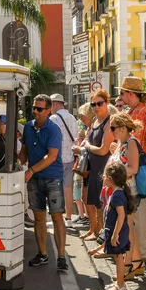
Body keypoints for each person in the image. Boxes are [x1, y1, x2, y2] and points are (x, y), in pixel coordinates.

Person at [19, 94, 68, 271]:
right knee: (38, 216)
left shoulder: (54, 129)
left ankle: (61, 256)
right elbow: (24, 150)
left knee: (56, 216)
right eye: (34, 108)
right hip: (34, 178)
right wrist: (18, 163)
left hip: (52, 177)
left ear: (48, 111)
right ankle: (43, 254)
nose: (35, 112)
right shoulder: (28, 127)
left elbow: (52, 156)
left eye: (39, 109)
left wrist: (30, 170)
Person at [118, 76, 146, 263]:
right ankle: (138, 252)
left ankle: (141, 253)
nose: (121, 96)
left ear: (130, 94)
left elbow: (136, 143)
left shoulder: (141, 112)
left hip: (137, 170)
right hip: (136, 168)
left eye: (122, 92)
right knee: (136, 213)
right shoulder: (136, 110)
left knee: (140, 213)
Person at [107, 113, 145, 280]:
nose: (111, 131)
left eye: (113, 128)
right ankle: (136, 262)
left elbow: (134, 168)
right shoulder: (121, 143)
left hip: (130, 191)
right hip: (123, 190)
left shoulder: (131, 143)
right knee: (128, 227)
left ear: (123, 128)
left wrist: (116, 175)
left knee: (126, 228)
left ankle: (129, 264)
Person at [74, 89, 113, 241]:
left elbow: (104, 150)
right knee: (93, 202)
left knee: (101, 205)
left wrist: (87, 147)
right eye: (93, 104)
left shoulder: (109, 122)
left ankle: (103, 239)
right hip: (92, 167)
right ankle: (96, 233)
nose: (96, 107)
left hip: (103, 167)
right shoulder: (95, 121)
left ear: (106, 103)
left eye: (100, 103)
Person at [102, 162, 134, 290]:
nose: (102, 178)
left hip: (117, 232)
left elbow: (121, 216)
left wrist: (115, 235)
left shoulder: (117, 195)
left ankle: (120, 285)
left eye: (104, 176)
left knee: (118, 257)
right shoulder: (118, 192)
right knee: (118, 257)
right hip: (117, 231)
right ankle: (119, 283)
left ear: (110, 179)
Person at [48, 93, 79, 228]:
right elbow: (76, 137)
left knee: (55, 188)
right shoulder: (72, 117)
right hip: (70, 157)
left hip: (57, 158)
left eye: (50, 105)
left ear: (55, 104)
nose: (50, 109)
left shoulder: (53, 118)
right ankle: (69, 219)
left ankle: (58, 218)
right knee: (68, 188)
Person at [73, 103, 96, 225]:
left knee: (90, 200)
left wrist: (80, 149)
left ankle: (95, 228)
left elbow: (93, 148)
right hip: (87, 168)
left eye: (83, 115)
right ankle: (93, 228)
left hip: (92, 168)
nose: (81, 118)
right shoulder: (89, 128)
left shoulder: (94, 128)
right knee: (85, 197)